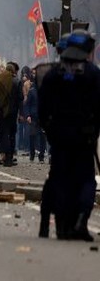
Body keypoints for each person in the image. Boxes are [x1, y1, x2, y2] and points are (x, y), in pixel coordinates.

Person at [38, 30, 100, 241]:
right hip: (84, 136)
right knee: (85, 180)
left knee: (60, 178)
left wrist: (49, 129)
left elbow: (43, 108)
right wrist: (94, 131)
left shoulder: (53, 74)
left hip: (60, 135)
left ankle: (62, 225)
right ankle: (81, 220)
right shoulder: (93, 73)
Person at [0, 62, 22, 167]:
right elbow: (20, 99)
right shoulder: (16, 81)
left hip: (0, 112)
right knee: (11, 135)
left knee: (0, 135)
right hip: (12, 112)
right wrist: (21, 113)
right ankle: (9, 159)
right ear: (13, 71)